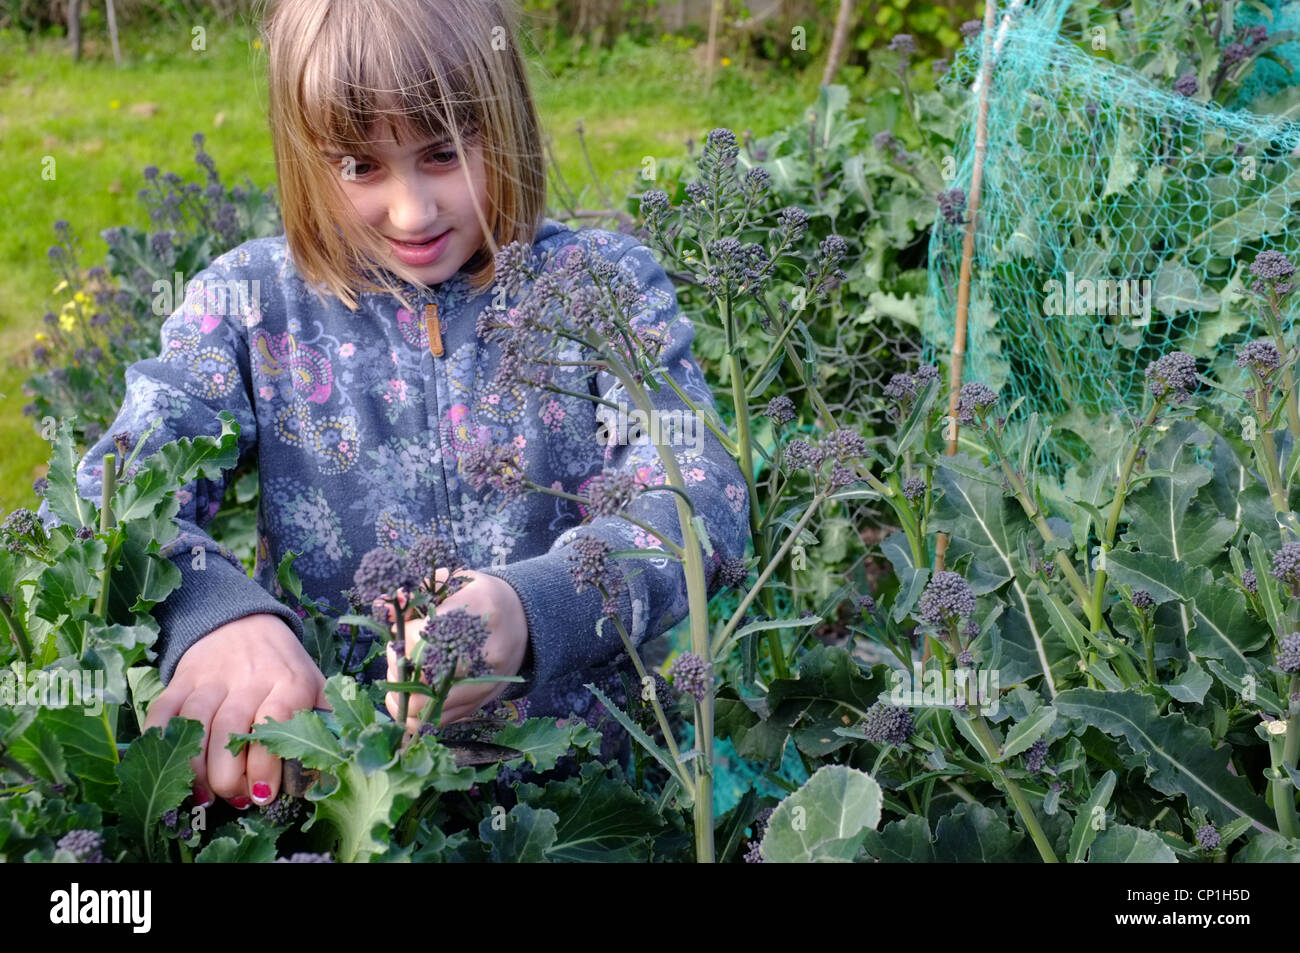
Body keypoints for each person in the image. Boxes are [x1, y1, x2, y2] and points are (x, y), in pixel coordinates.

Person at [42, 0, 749, 815]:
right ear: (305, 160)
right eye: (359, 167)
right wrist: (214, 611)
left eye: (444, 153)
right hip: (334, 803)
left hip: (596, 807)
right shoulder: (247, 308)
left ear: (509, 126)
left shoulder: (600, 290)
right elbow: (103, 502)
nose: (413, 211)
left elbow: (704, 500)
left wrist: (530, 608)